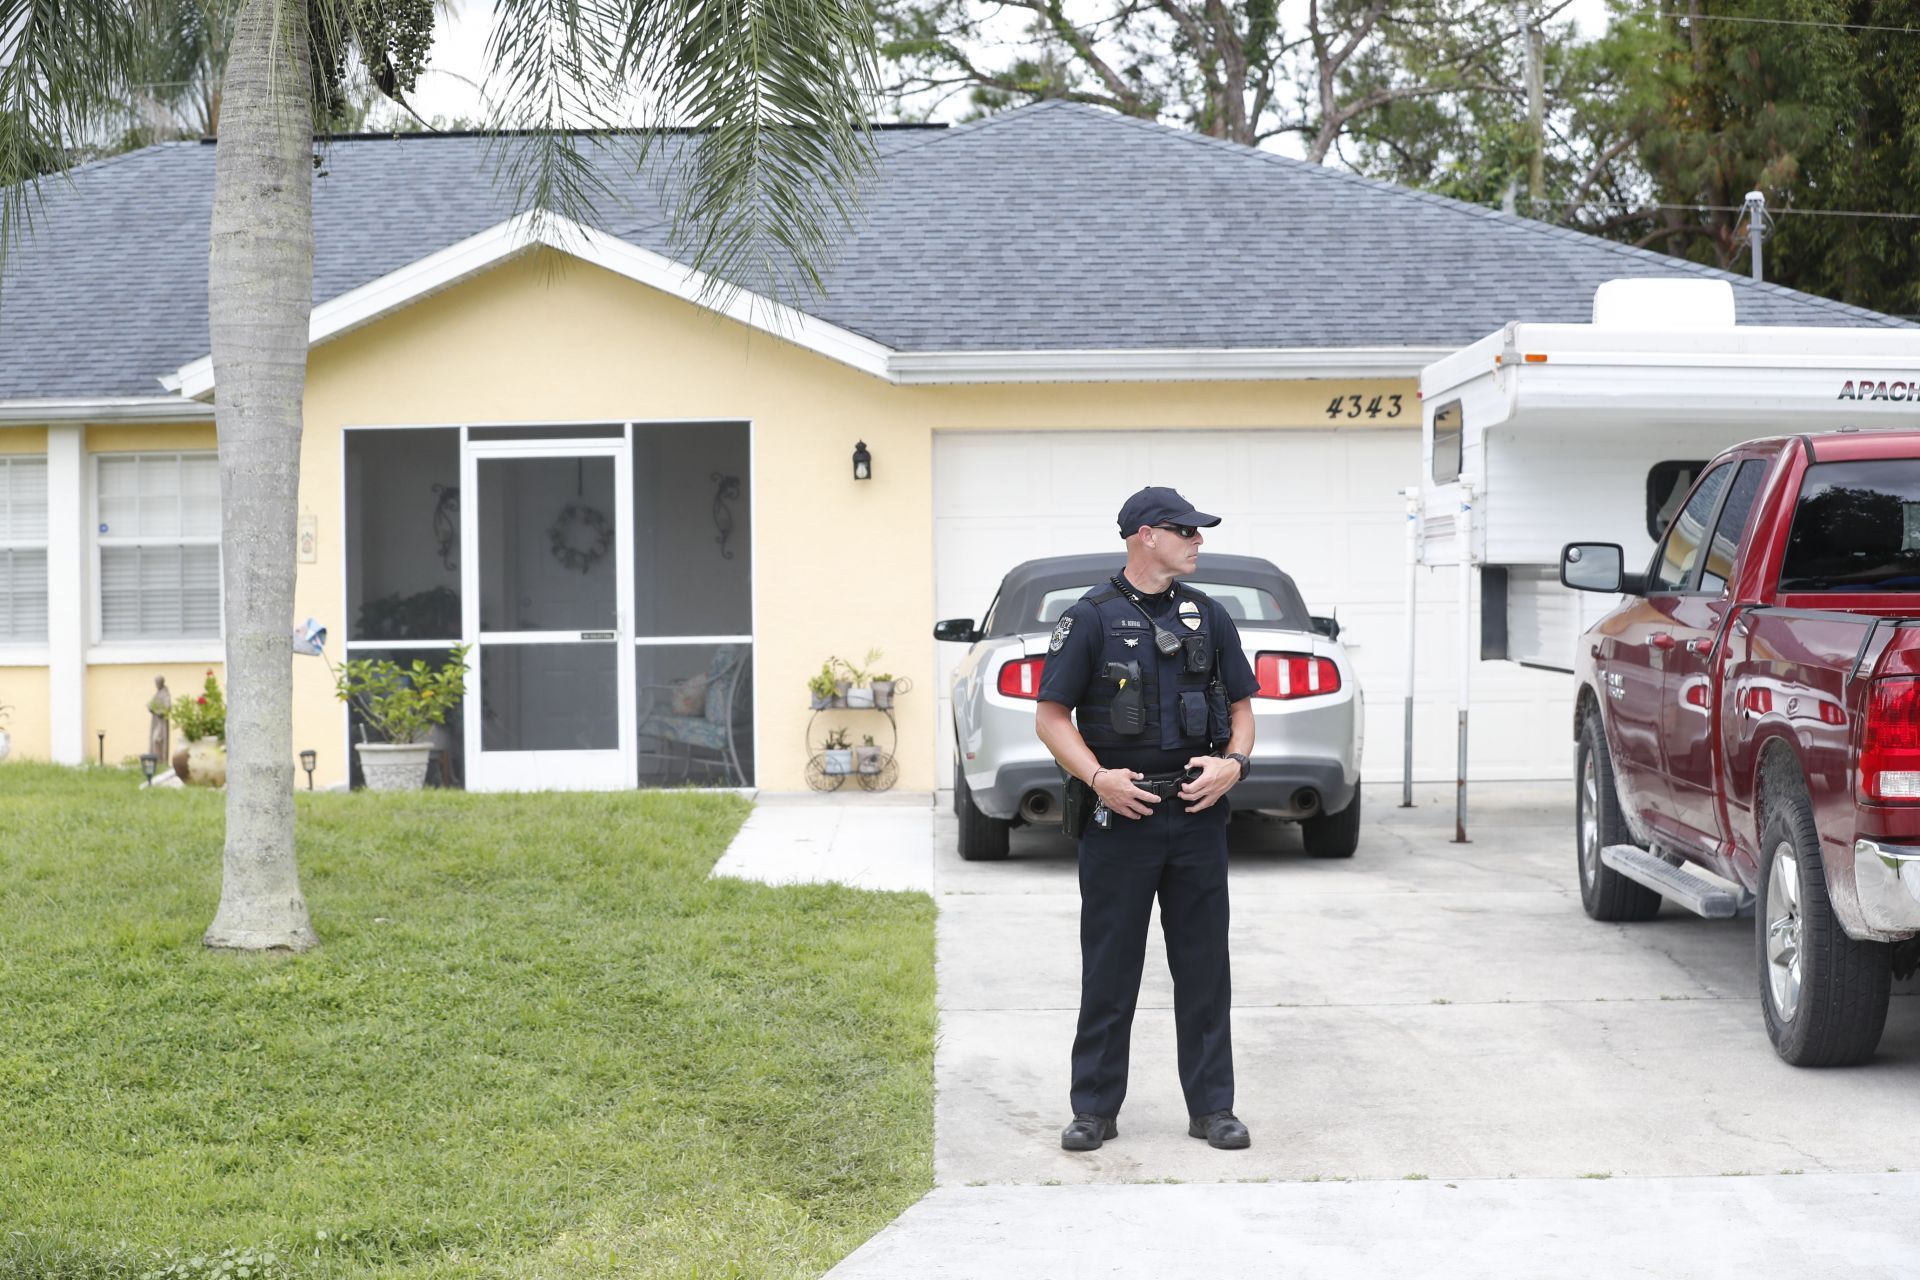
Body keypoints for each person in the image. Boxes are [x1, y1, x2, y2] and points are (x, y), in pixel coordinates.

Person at [1035, 485, 1259, 1153]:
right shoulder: (1091, 618)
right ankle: (1094, 1110)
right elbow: (1051, 717)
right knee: (1110, 968)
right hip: (1121, 818)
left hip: (1196, 814)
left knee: (1204, 968)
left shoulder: (1209, 616)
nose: (1197, 541)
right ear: (1145, 535)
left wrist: (1234, 765)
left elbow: (1244, 706)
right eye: (1185, 531)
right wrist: (1098, 778)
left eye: (1197, 532)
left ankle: (1213, 1109)